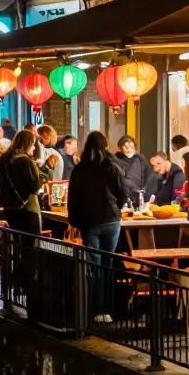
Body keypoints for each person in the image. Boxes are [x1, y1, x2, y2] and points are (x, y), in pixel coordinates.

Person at [69, 131, 129, 324]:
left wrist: (75, 220)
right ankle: (109, 308)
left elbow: (73, 197)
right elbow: (123, 193)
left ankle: (96, 308)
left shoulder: (80, 169)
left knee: (93, 265)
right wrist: (115, 209)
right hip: (111, 220)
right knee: (107, 264)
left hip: (89, 221)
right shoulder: (112, 167)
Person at [0, 128, 49, 244]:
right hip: (27, 208)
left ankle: (16, 262)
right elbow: (34, 186)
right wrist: (45, 172)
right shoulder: (25, 161)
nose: (34, 147)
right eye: (33, 144)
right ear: (27, 144)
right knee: (30, 246)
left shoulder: (4, 159)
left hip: (10, 208)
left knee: (17, 243)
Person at [114, 135, 153, 205]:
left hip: (138, 193)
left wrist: (144, 188)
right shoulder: (116, 159)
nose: (129, 149)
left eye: (132, 147)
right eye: (126, 147)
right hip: (122, 194)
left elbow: (148, 175)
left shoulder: (140, 158)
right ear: (120, 147)